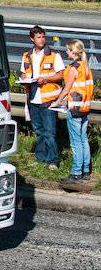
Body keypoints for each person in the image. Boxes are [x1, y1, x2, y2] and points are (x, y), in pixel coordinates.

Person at [20, 26, 66, 166]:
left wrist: (45, 79)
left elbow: (61, 74)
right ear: (32, 39)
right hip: (33, 99)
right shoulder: (27, 55)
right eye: (38, 37)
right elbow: (23, 72)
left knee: (50, 133)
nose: (41, 39)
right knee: (39, 131)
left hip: (48, 100)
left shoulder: (53, 55)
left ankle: (53, 160)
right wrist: (23, 77)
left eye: (43, 37)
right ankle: (41, 159)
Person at [56, 39, 93, 189]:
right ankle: (85, 171)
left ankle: (76, 173)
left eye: (68, 50)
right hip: (85, 108)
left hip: (75, 109)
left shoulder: (73, 68)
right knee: (83, 140)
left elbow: (67, 89)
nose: (66, 52)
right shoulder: (85, 66)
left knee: (75, 143)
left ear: (73, 51)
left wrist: (57, 102)